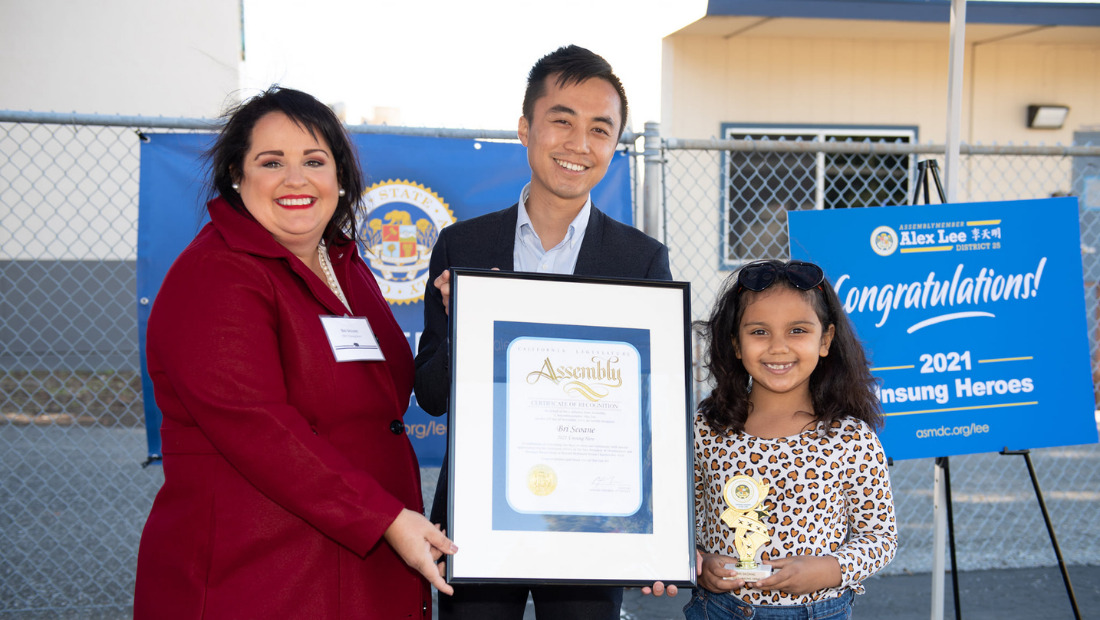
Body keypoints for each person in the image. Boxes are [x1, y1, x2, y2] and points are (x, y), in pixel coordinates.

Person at [133, 86, 455, 619]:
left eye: (314, 160)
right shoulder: (216, 275)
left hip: (355, 566)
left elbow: (387, 393)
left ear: (340, 177)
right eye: (271, 162)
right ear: (237, 175)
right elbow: (261, 430)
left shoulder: (345, 264)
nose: (296, 179)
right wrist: (386, 519)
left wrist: (474, 314)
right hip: (261, 575)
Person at [414, 45, 672, 619]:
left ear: (613, 145)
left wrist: (659, 531)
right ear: (526, 129)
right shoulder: (464, 247)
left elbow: (650, 414)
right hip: (478, 520)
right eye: (562, 121)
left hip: (591, 527)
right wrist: (467, 325)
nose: (580, 144)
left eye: (600, 129)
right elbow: (430, 396)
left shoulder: (641, 261)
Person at [686, 259, 897, 619]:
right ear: (736, 344)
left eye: (797, 330)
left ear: (825, 340)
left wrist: (828, 569)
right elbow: (685, 524)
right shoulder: (707, 429)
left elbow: (880, 537)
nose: (778, 348)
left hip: (821, 611)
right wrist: (700, 566)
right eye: (759, 332)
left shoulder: (850, 438)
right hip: (720, 610)